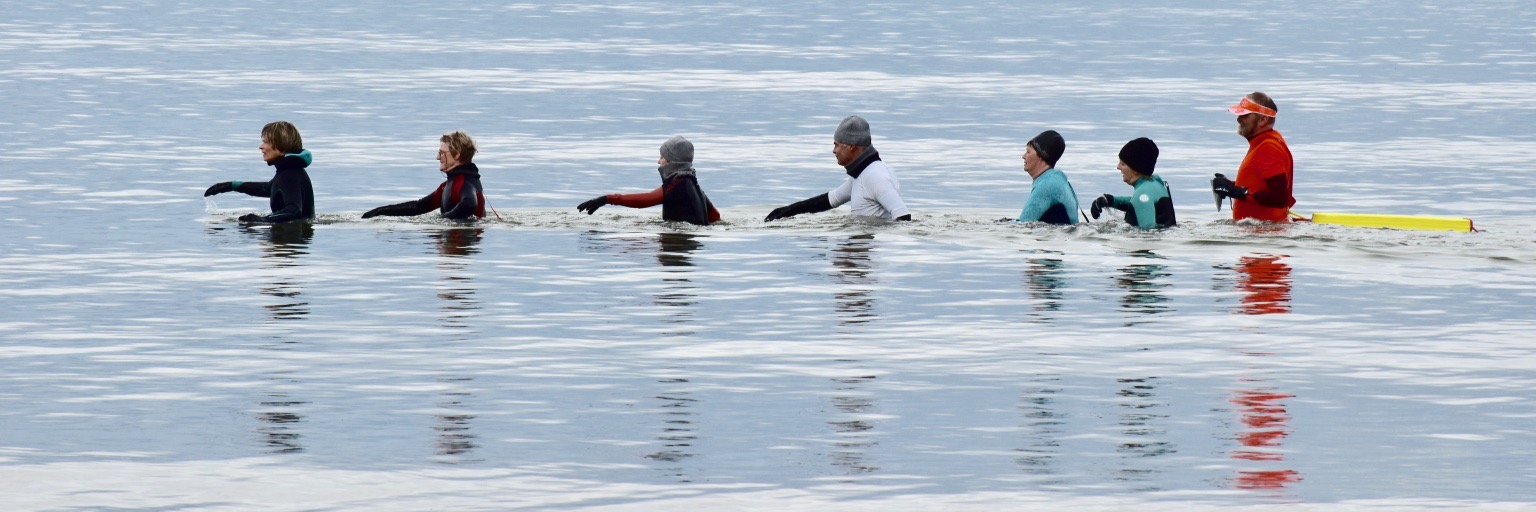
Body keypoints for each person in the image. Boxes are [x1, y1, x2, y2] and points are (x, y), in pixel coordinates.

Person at [763, 116, 911, 222]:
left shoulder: (875, 176)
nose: (834, 151)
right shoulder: (862, 175)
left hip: (869, 248)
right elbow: (828, 200)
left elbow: (903, 215)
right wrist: (787, 211)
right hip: (863, 245)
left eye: (837, 145)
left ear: (851, 146)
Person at [575, 136, 720, 225]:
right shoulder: (692, 182)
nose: (658, 162)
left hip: (679, 242)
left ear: (673, 161)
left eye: (662, 157)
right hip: (691, 242)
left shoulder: (677, 184)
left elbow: (645, 200)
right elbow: (715, 216)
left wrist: (606, 199)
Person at [204, 121, 315, 224]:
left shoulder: (290, 174)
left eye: (265, 142)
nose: (260, 146)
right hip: (290, 239)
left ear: (281, 147)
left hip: (292, 242)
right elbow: (270, 189)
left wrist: (262, 220)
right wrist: (232, 186)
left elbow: (294, 210)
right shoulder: (289, 171)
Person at [362, 131, 486, 221]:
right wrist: (379, 211)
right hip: (454, 242)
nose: (437, 157)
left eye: (441, 153)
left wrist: (442, 221)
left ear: (457, 155)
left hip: (462, 245)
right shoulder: (449, 185)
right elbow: (418, 207)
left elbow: (469, 204)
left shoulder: (464, 182)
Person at [1212, 92, 1295, 222]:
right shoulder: (1263, 143)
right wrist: (1230, 186)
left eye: (1245, 115)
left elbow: (1278, 197)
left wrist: (1237, 192)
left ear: (1263, 120)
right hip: (1258, 231)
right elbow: (1260, 188)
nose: (1239, 119)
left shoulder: (1268, 148)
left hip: (1265, 235)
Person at [1089, 137, 1176, 229]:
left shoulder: (1143, 193)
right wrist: (1110, 200)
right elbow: (1140, 205)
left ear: (1136, 169)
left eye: (1123, 164)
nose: (1118, 167)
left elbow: (1148, 234)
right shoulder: (1155, 184)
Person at [1013, 130, 1079, 225]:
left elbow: (1022, 225)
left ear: (1040, 156)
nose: (1023, 156)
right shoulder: (1058, 180)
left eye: (1028, 152)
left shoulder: (1047, 185)